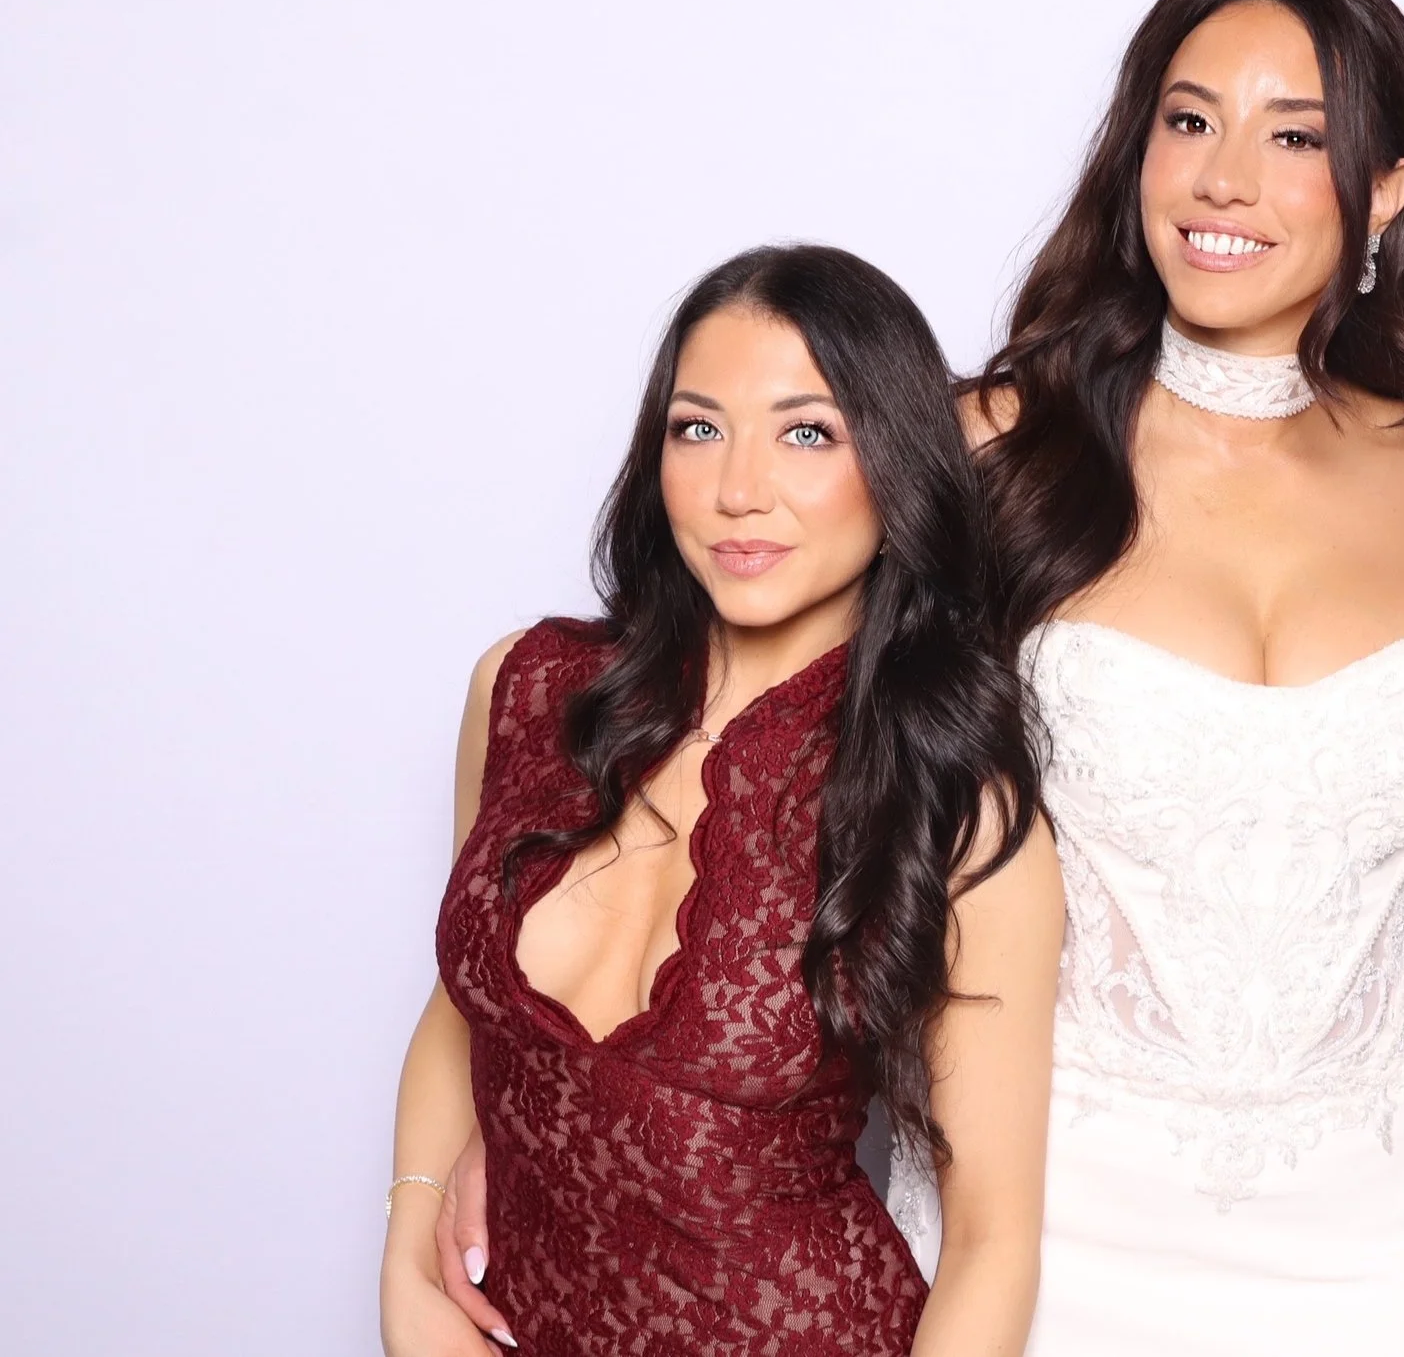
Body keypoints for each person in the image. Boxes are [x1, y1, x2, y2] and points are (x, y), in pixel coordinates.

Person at [895, 0, 1404, 1354]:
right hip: (1045, 1209)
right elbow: (763, 738)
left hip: (1388, 1231)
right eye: (1188, 121)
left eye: (1294, 136)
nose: (1223, 176)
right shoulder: (996, 448)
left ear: (1388, 192)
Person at [380, 245, 1062, 1357]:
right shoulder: (527, 692)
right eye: (698, 429)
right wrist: (409, 1249)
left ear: (896, 465)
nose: (739, 489)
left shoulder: (950, 808)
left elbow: (993, 1243)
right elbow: (465, 1002)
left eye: (808, 433)